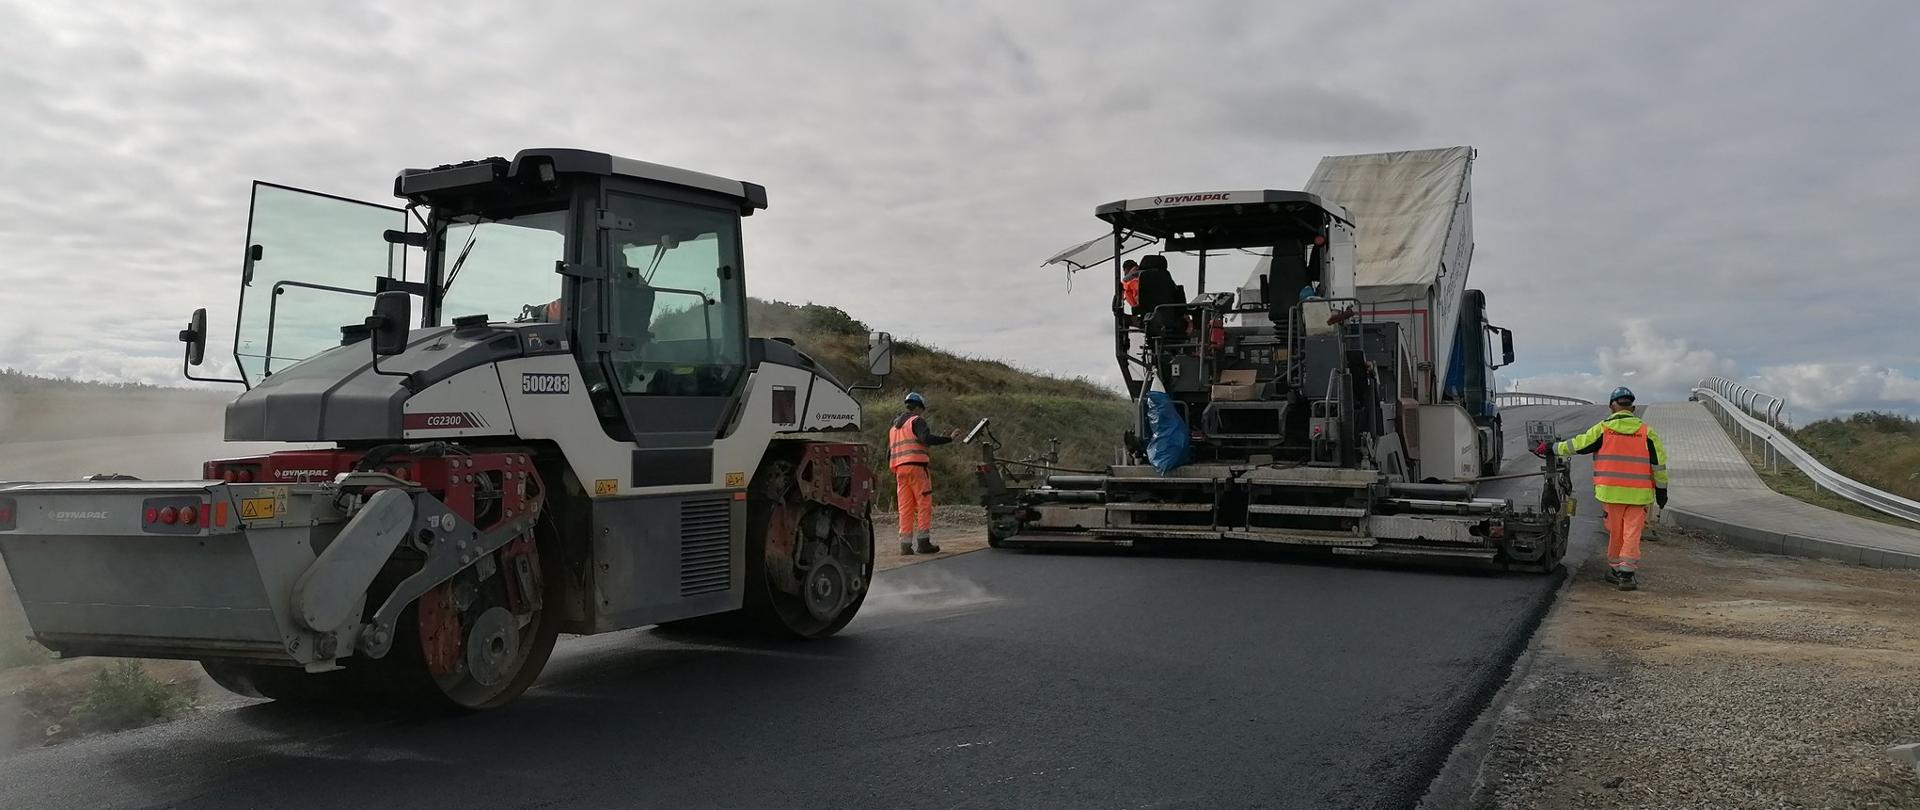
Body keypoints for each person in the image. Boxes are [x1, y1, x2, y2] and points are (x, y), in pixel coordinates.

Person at [1537, 386, 1669, 590]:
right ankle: (1627, 574)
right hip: (1639, 494)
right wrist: (1662, 491)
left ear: (1611, 407)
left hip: (1611, 492)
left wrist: (1551, 448)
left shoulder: (1603, 429)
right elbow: (1659, 466)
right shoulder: (1647, 432)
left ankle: (1616, 568)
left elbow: (1578, 445)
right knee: (1632, 533)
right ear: (1632, 408)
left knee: (1616, 533)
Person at [889, 391, 960, 555]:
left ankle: (905, 546)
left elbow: (889, 452)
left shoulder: (894, 428)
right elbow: (926, 438)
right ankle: (923, 543)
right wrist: (949, 438)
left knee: (905, 507)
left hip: (900, 470)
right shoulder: (917, 421)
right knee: (923, 504)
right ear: (919, 408)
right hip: (917, 468)